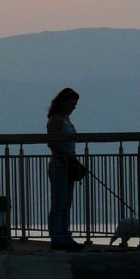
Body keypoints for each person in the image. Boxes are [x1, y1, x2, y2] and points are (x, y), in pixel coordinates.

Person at [46, 87, 85, 251]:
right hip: (60, 165)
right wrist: (67, 158)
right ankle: (57, 237)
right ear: (63, 102)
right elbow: (52, 143)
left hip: (68, 164)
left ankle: (65, 235)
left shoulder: (66, 119)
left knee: (66, 203)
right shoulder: (55, 120)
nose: (73, 108)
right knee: (59, 202)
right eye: (71, 104)